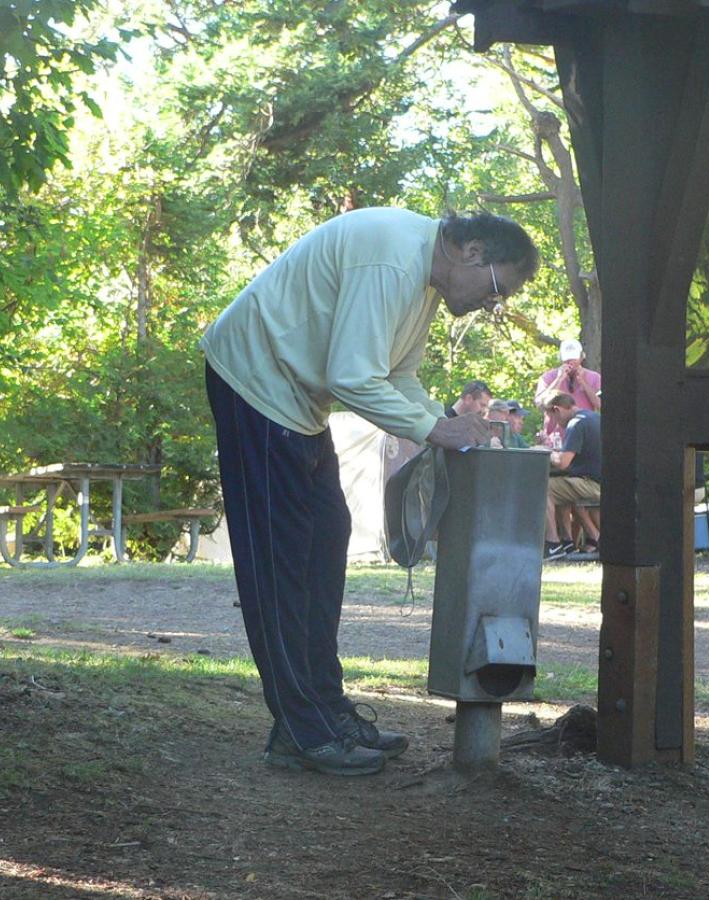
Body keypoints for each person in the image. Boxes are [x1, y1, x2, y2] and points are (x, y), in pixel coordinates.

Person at [201, 208, 539, 776]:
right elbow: (352, 377)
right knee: (282, 564)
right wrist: (435, 430)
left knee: (326, 541)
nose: (493, 304)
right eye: (498, 288)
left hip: (296, 404)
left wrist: (447, 423)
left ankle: (328, 711)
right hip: (254, 383)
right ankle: (300, 732)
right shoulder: (391, 259)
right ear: (474, 251)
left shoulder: (424, 283)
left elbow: (395, 376)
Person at [542, 393, 602, 561]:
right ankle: (568, 542)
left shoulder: (576, 424)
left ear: (557, 410)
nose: (555, 423)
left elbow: (563, 463)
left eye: (551, 416)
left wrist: (547, 452)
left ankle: (553, 545)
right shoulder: (595, 418)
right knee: (561, 487)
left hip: (592, 484)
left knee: (541, 487)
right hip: (603, 481)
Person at [534, 338, 601, 447]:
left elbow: (600, 405)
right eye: (567, 359)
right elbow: (540, 404)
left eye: (574, 358)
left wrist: (583, 382)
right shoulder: (548, 377)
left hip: (585, 440)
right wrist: (559, 379)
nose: (571, 363)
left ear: (581, 357)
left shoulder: (595, 378)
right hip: (555, 440)